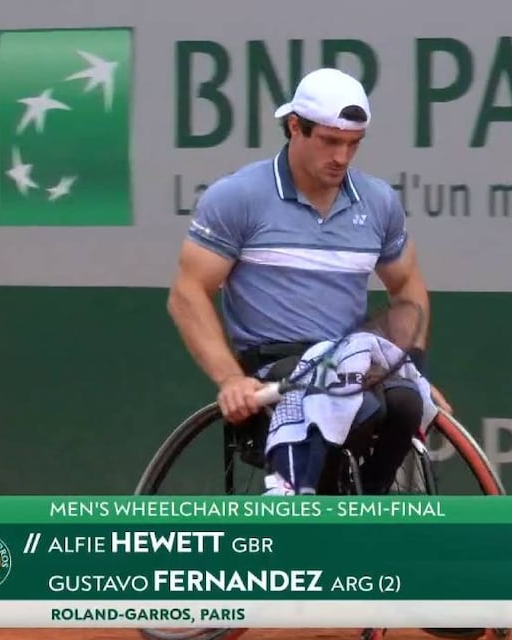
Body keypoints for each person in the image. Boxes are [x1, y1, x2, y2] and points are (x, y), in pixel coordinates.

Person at [167, 67, 450, 495]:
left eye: (353, 144)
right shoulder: (238, 197)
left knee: (408, 401)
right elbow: (187, 295)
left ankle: (364, 512)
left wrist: (416, 372)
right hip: (275, 363)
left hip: (352, 360)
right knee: (361, 406)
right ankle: (303, 512)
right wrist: (230, 380)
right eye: (331, 141)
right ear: (295, 127)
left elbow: (408, 287)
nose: (342, 157)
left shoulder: (378, 203)